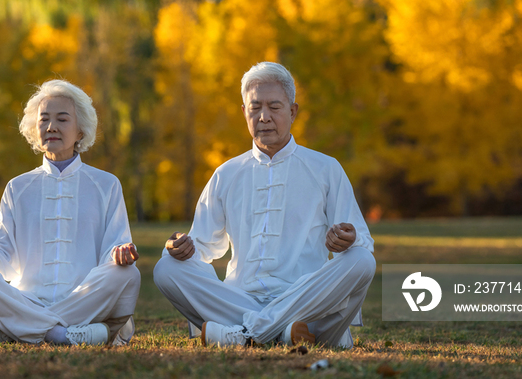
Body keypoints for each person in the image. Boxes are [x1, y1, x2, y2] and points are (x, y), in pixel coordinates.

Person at [153, 62, 375, 348]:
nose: (264, 117)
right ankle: (283, 333)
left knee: (362, 261)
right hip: (239, 300)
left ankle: (247, 334)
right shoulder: (226, 173)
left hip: (305, 300)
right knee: (166, 269)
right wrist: (177, 247)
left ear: (293, 111)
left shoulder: (325, 169)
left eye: (274, 107)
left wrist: (349, 240)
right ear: (244, 112)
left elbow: (362, 243)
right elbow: (201, 246)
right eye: (255, 107)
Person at [0, 79, 141, 346]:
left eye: (62, 119)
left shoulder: (106, 184)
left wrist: (121, 254)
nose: (51, 127)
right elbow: (4, 256)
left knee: (127, 273)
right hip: (27, 299)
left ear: (81, 131)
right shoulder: (17, 188)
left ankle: (16, 328)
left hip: (84, 299)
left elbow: (114, 249)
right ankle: (63, 334)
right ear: (36, 128)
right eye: (44, 120)